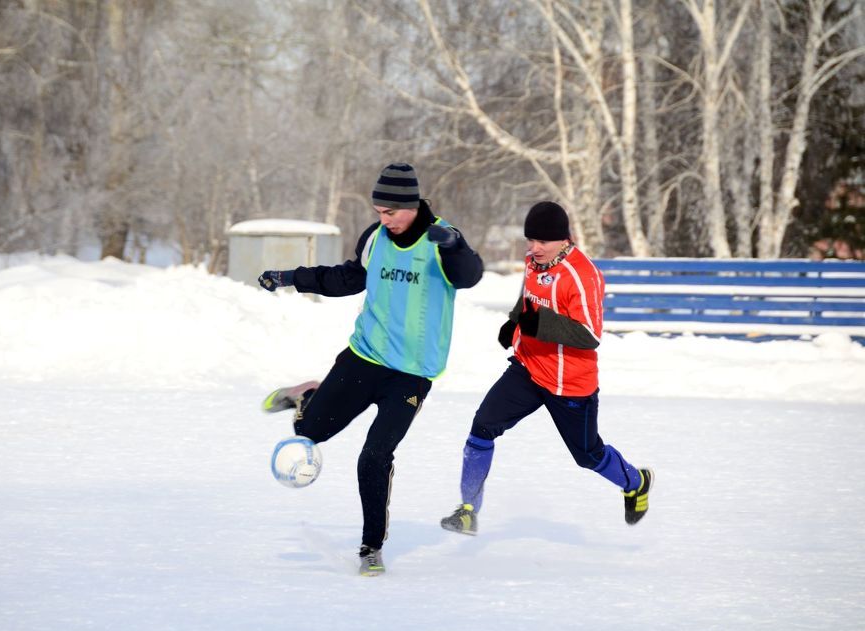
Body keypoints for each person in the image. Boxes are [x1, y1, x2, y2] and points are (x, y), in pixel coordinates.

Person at [258, 163, 484, 576]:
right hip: (365, 356)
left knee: (374, 456)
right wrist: (291, 277)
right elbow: (346, 279)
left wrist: (453, 245)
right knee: (308, 433)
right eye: (379, 211)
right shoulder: (375, 237)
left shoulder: (442, 238)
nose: (385, 220)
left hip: (412, 374)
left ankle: (370, 547)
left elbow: (469, 276)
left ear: (413, 204)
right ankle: (308, 395)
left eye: (392, 212)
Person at [439, 201, 652, 536]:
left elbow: (589, 334)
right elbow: (528, 298)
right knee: (482, 427)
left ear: (564, 239)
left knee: (588, 455)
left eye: (542, 242)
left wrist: (535, 322)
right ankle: (468, 511)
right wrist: (514, 323)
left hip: (570, 383)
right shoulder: (533, 261)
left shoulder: (583, 276)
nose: (534, 248)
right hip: (528, 367)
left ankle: (636, 482)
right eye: (530, 240)